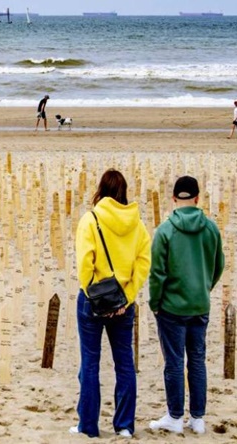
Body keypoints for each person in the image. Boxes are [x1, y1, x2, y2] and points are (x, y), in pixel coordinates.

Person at [71, 169, 151, 438]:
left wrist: (94, 296)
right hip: (122, 305)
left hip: (92, 301)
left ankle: (89, 427)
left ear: (100, 190)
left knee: (90, 364)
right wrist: (126, 298)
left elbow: (85, 264)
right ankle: (125, 426)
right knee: (124, 364)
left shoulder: (90, 220)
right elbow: (142, 263)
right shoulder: (137, 225)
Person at [148, 176, 224, 435]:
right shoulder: (211, 229)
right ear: (197, 198)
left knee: (174, 362)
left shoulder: (165, 230)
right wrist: (204, 287)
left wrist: (155, 303)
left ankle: (175, 416)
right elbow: (218, 265)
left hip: (172, 308)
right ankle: (198, 418)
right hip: (199, 305)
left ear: (173, 199)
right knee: (198, 360)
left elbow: (157, 273)